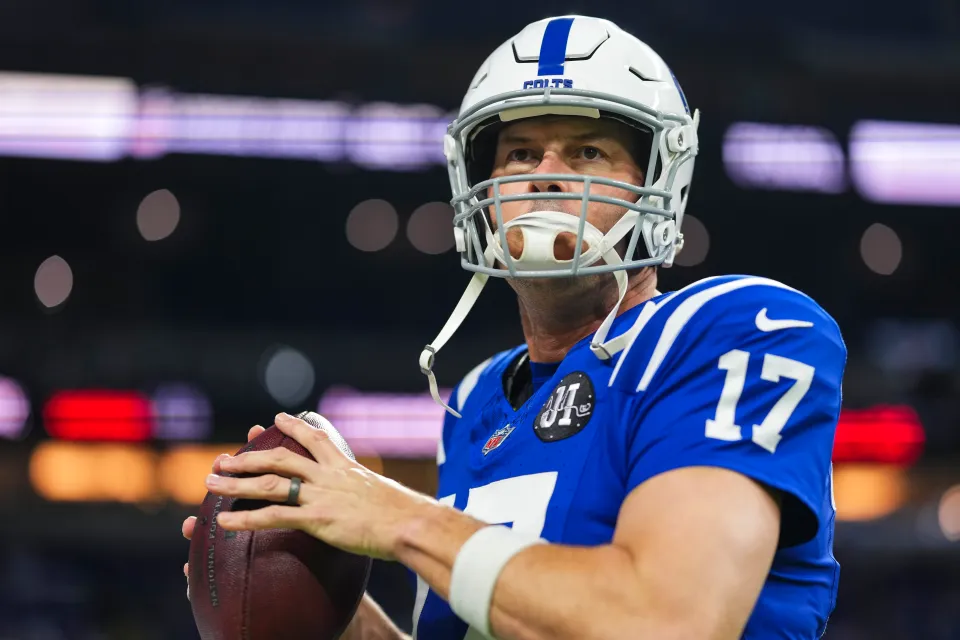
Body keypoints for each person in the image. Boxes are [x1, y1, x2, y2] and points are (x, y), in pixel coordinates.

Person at [183, 15, 844, 640]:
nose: (547, 177)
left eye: (587, 151)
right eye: (522, 153)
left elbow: (666, 621)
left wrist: (394, 515)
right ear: (480, 186)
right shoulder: (477, 399)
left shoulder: (738, 328)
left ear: (660, 182)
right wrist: (328, 609)